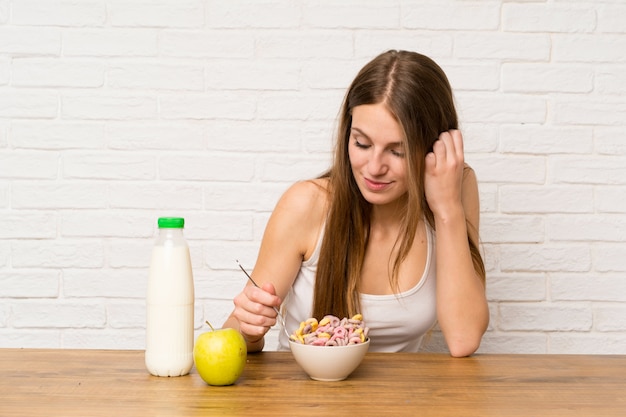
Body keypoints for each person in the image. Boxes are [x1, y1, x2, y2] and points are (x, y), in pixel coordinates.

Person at [223, 50, 489, 357]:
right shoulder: (306, 204)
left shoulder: (455, 190)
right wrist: (251, 330)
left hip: (404, 400)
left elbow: (464, 339)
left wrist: (446, 209)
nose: (374, 167)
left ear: (434, 149)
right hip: (304, 398)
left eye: (397, 151)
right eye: (362, 143)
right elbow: (235, 331)